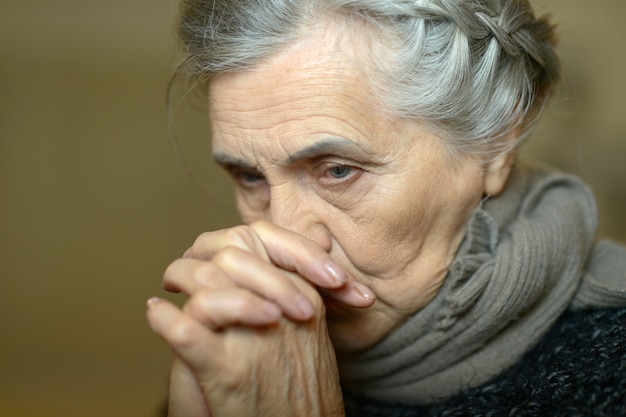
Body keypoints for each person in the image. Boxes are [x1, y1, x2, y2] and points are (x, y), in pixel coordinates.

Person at [146, 0, 626, 415]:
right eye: (251, 177)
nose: (284, 237)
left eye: (337, 171)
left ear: (495, 143)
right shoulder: (238, 359)